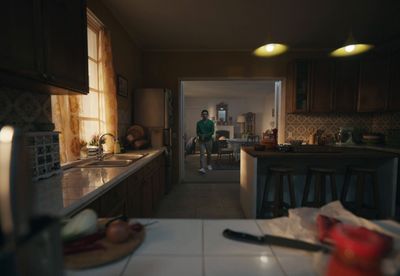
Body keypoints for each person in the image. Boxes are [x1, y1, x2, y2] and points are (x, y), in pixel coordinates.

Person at [196, 109, 214, 174]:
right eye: (203, 114)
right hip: (201, 141)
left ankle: (209, 164)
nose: (204, 115)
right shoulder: (198, 123)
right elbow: (197, 132)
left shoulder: (211, 123)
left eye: (206, 114)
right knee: (202, 154)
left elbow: (212, 132)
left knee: (209, 153)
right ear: (201, 115)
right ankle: (202, 167)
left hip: (209, 140)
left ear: (207, 115)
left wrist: (205, 135)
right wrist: (201, 135)